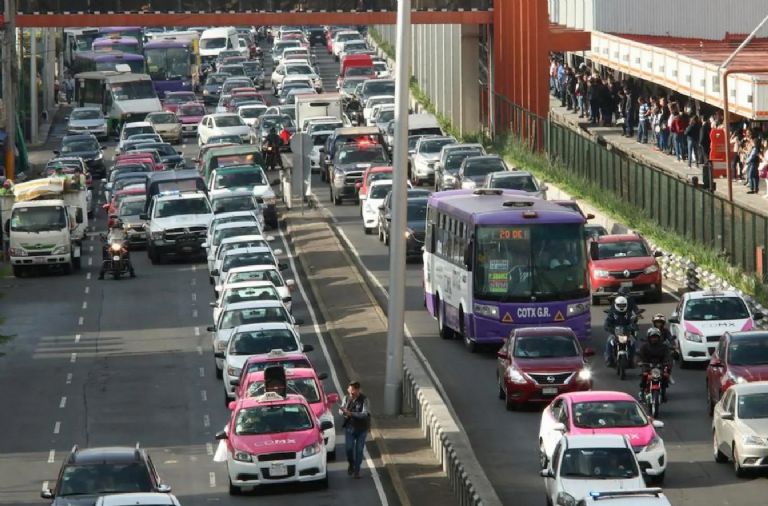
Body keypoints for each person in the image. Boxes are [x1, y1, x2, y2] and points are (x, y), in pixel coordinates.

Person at [339, 380, 370, 479]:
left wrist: (351, 414)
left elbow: (365, 414)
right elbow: (341, 410)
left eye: (354, 390)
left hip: (362, 429)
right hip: (350, 428)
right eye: (350, 389)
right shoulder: (346, 398)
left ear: (358, 390)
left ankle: (357, 471)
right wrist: (343, 412)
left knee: (359, 450)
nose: (351, 392)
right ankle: (351, 464)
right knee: (348, 448)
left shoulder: (364, 399)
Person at [637, 328, 672, 402]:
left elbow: (668, 356)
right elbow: (640, 356)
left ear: (659, 337)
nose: (654, 339)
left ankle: (663, 392)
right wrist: (640, 362)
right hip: (647, 366)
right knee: (644, 375)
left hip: (660, 366)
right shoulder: (644, 347)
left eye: (656, 337)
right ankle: (642, 392)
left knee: (665, 376)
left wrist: (667, 362)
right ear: (649, 337)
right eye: (652, 337)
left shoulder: (664, 347)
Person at [603, 296, 639, 366]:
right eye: (620, 305)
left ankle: (632, 359)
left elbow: (633, 322)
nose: (621, 307)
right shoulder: (612, 314)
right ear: (616, 305)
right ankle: (609, 358)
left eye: (623, 305)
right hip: (615, 333)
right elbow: (607, 323)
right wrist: (609, 328)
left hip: (627, 333)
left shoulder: (629, 314)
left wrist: (633, 326)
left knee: (633, 342)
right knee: (609, 341)